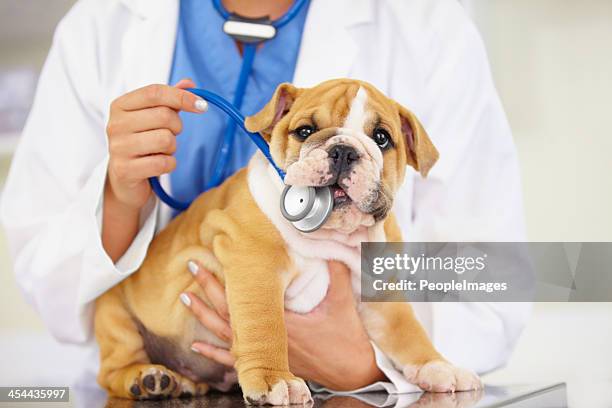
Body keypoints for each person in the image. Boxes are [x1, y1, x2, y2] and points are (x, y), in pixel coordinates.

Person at [0, 0, 530, 393]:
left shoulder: (432, 29)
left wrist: (366, 363)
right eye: (307, 132)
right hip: (172, 376)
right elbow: (39, 258)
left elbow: (496, 277)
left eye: (379, 140)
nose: (345, 155)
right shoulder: (99, 25)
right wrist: (117, 196)